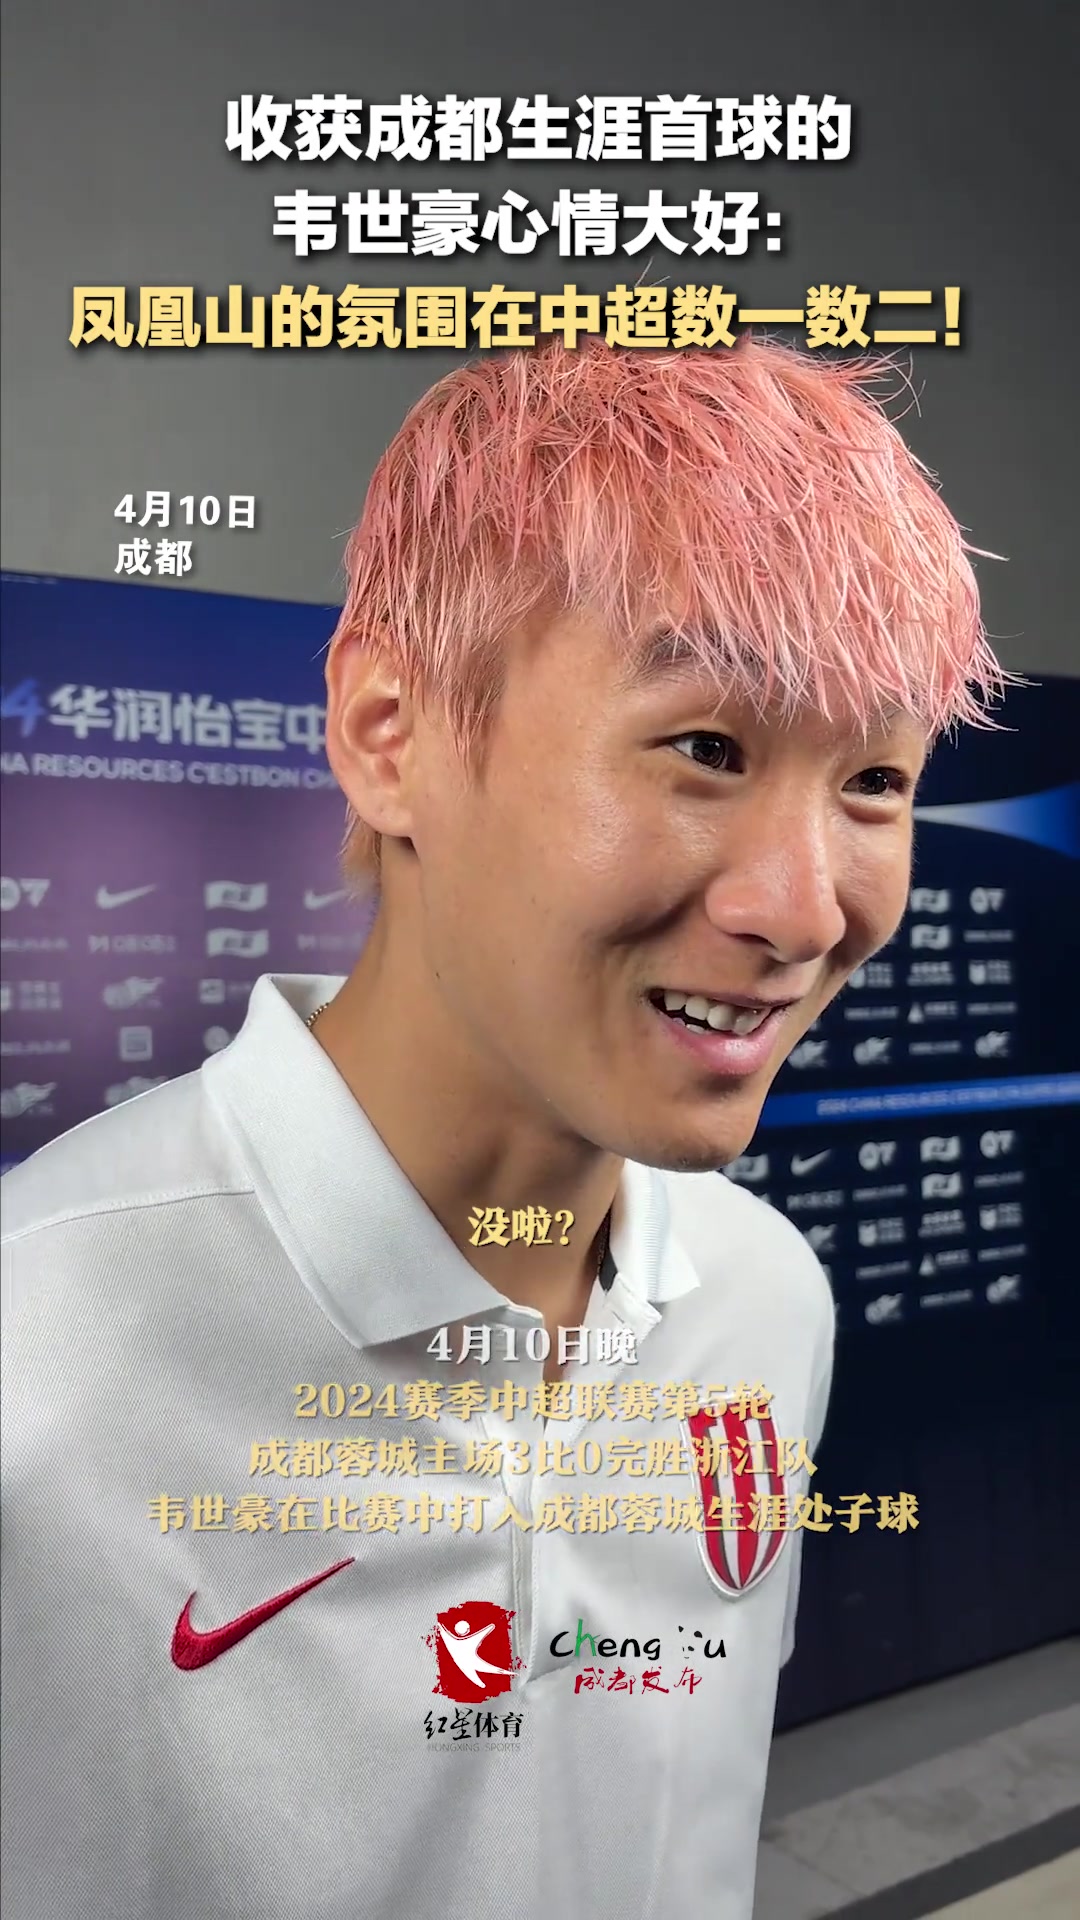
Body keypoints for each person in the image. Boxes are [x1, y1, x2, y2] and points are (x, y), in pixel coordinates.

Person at [1, 331, 1002, 1920]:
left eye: (875, 782)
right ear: (389, 731)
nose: (808, 910)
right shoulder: (35, 1345)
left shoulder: (763, 1298)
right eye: (708, 749)